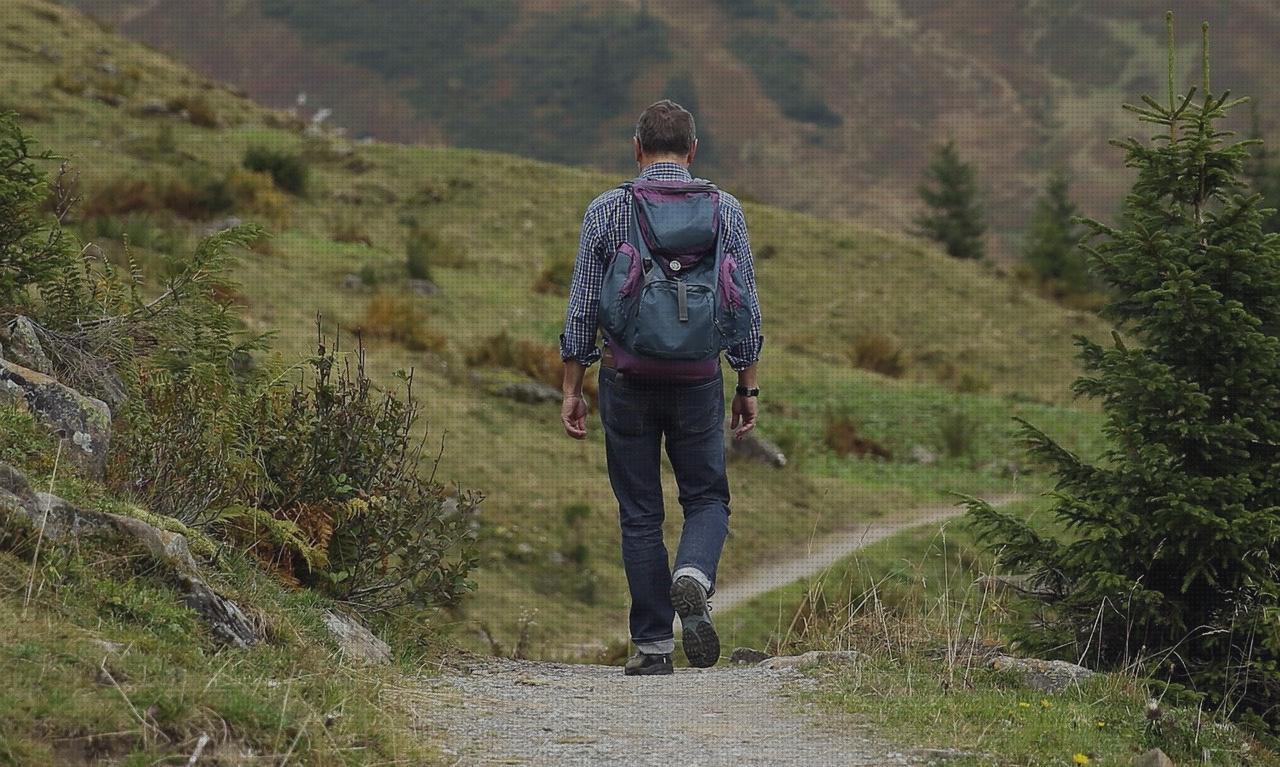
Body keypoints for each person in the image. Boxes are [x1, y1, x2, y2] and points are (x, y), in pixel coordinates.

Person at [558, 99, 764, 675]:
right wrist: (747, 385)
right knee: (706, 496)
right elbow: (744, 303)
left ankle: (652, 646)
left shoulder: (606, 210)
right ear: (693, 151)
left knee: (640, 511)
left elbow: (581, 308)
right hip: (699, 378)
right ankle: (693, 574)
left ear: (637, 148)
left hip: (626, 376)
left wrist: (573, 385)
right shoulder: (726, 210)